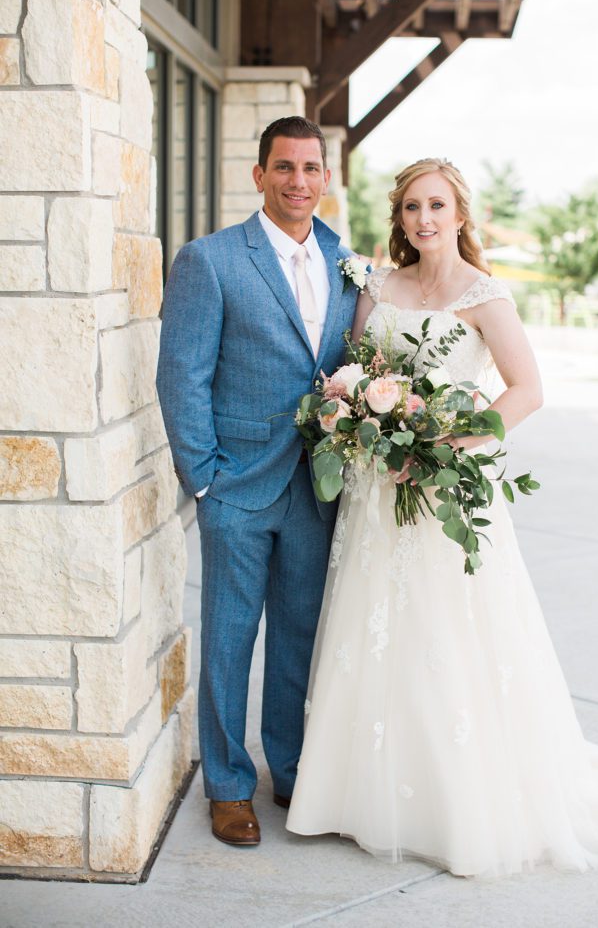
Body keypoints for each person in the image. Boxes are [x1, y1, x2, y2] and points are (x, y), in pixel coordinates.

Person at [286, 158, 598, 877]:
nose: (424, 219)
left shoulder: (483, 294)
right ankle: (360, 795)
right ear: (400, 216)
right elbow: (359, 368)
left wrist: (449, 442)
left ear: (461, 214)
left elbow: (526, 389)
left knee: (447, 632)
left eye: (437, 205)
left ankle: (456, 802)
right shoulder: (378, 285)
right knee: (375, 629)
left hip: (446, 492)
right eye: (411, 207)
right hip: (378, 492)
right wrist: (353, 415)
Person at [156, 117, 359, 847]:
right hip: (236, 488)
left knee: (300, 639)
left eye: (310, 168)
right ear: (259, 174)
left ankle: (292, 771)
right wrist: (204, 479)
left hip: (317, 487)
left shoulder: (347, 262)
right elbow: (181, 375)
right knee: (231, 639)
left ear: (326, 178)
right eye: (284, 167)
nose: (298, 181)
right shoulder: (209, 261)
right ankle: (228, 787)